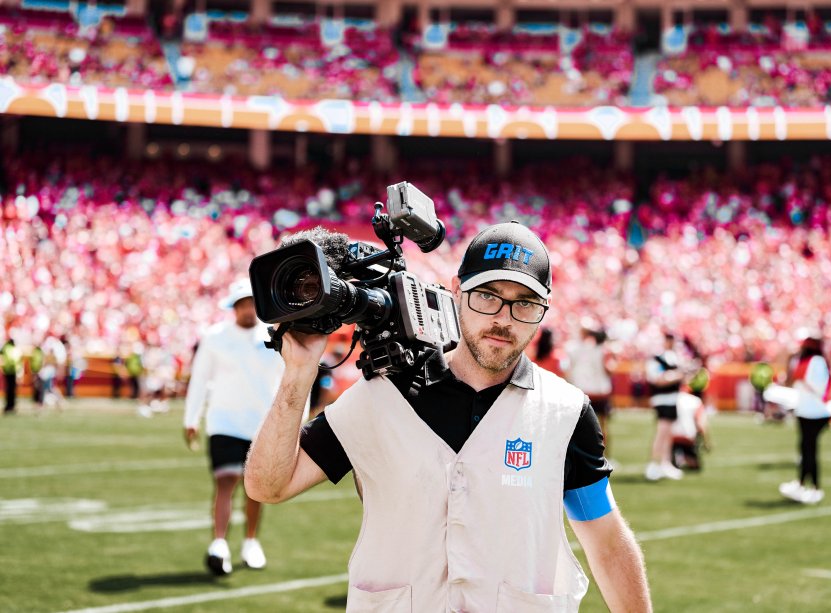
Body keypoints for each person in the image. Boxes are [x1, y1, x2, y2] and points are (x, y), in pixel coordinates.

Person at [245, 222, 652, 612]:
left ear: (544, 309)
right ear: (457, 291)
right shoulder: (382, 397)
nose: (503, 319)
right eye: (487, 295)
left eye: (524, 303)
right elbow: (268, 486)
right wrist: (298, 372)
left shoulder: (565, 412)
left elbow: (608, 544)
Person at [183, 279, 284, 576]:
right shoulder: (214, 338)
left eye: (253, 303)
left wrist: (295, 420)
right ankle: (219, 544)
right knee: (225, 480)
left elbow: (288, 380)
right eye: (242, 304)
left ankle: (251, 542)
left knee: (254, 487)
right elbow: (200, 379)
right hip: (223, 422)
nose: (248, 309)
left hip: (261, 425)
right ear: (234, 307)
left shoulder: (274, 336)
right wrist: (191, 418)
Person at [777, 330, 831, 505]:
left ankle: (814, 487)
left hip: (813, 413)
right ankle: (803, 483)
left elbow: (813, 386)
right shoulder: (814, 361)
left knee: (809, 450)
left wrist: (801, 380)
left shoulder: (814, 362)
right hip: (807, 411)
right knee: (805, 449)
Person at [644, 332, 690, 481]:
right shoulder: (656, 359)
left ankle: (665, 463)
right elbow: (657, 380)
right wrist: (678, 375)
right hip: (662, 399)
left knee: (668, 432)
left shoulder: (673, 358)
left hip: (671, 399)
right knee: (662, 432)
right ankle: (654, 464)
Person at [565, 322, 616, 446]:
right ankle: (603, 457)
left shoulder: (578, 348)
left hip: (585, 391)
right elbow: (610, 370)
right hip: (600, 391)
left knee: (581, 427)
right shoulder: (604, 351)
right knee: (602, 426)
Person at [2, 337, 23, 414]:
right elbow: (18, 362)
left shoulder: (5, 348)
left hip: (7, 371)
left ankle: (8, 406)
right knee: (12, 390)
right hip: (13, 372)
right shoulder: (15, 349)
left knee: (8, 390)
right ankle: (11, 406)